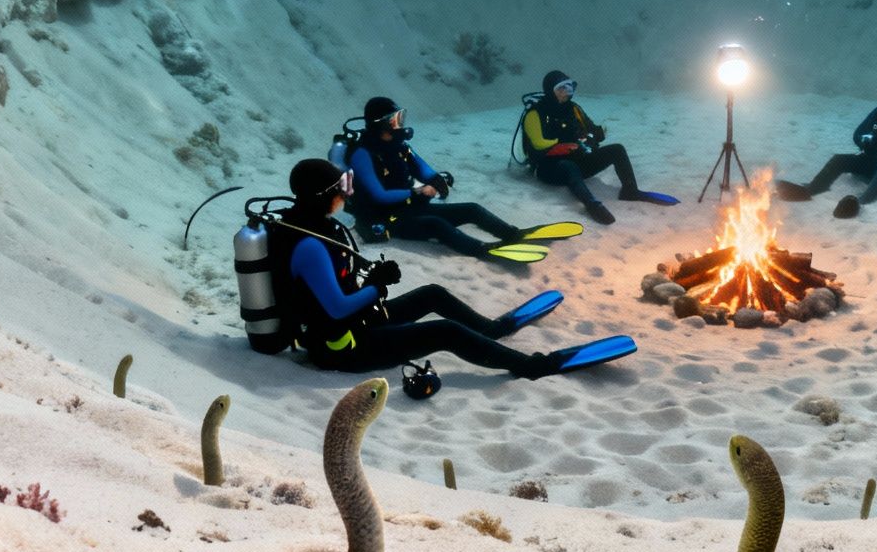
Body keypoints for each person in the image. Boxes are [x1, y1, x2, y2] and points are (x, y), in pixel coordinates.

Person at [270, 159, 633, 378]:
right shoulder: (310, 244)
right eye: (341, 186)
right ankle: (535, 366)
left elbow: (334, 291)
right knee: (444, 332)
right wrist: (375, 288)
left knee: (433, 294)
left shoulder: (312, 226)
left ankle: (494, 329)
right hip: (342, 348)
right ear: (322, 195)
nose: (347, 193)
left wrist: (371, 281)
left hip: (357, 323)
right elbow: (335, 308)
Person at [347, 96, 576, 263]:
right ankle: (481, 249)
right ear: (380, 124)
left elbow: (421, 168)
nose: (400, 124)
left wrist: (436, 180)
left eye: (400, 118)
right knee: (437, 225)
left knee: (472, 209)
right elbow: (378, 195)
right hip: (384, 218)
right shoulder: (362, 154)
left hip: (409, 208)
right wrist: (416, 192)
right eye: (394, 120)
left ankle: (513, 234)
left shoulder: (399, 146)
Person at [774, 69, 877, 219]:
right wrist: (866, 141)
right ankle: (811, 189)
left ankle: (860, 202)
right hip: (875, 158)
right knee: (839, 159)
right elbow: (858, 133)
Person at [520, 70, 676, 225]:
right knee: (568, 166)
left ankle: (630, 190)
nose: (566, 93)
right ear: (550, 91)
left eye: (569, 87)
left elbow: (591, 130)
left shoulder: (574, 109)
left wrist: (597, 134)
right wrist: (560, 145)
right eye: (561, 88)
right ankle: (591, 204)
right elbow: (537, 143)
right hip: (548, 168)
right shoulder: (534, 114)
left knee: (617, 149)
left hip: (578, 161)